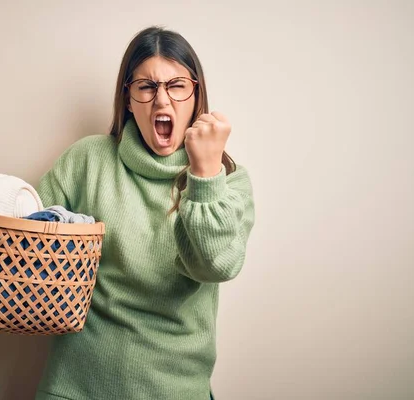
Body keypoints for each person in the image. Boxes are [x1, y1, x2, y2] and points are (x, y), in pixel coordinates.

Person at [34, 25, 256, 400]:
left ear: (195, 93)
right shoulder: (88, 158)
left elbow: (215, 265)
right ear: (129, 97)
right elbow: (25, 236)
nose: (162, 101)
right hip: (74, 386)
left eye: (176, 85)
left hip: (175, 390)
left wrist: (204, 174)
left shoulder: (230, 180)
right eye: (147, 87)